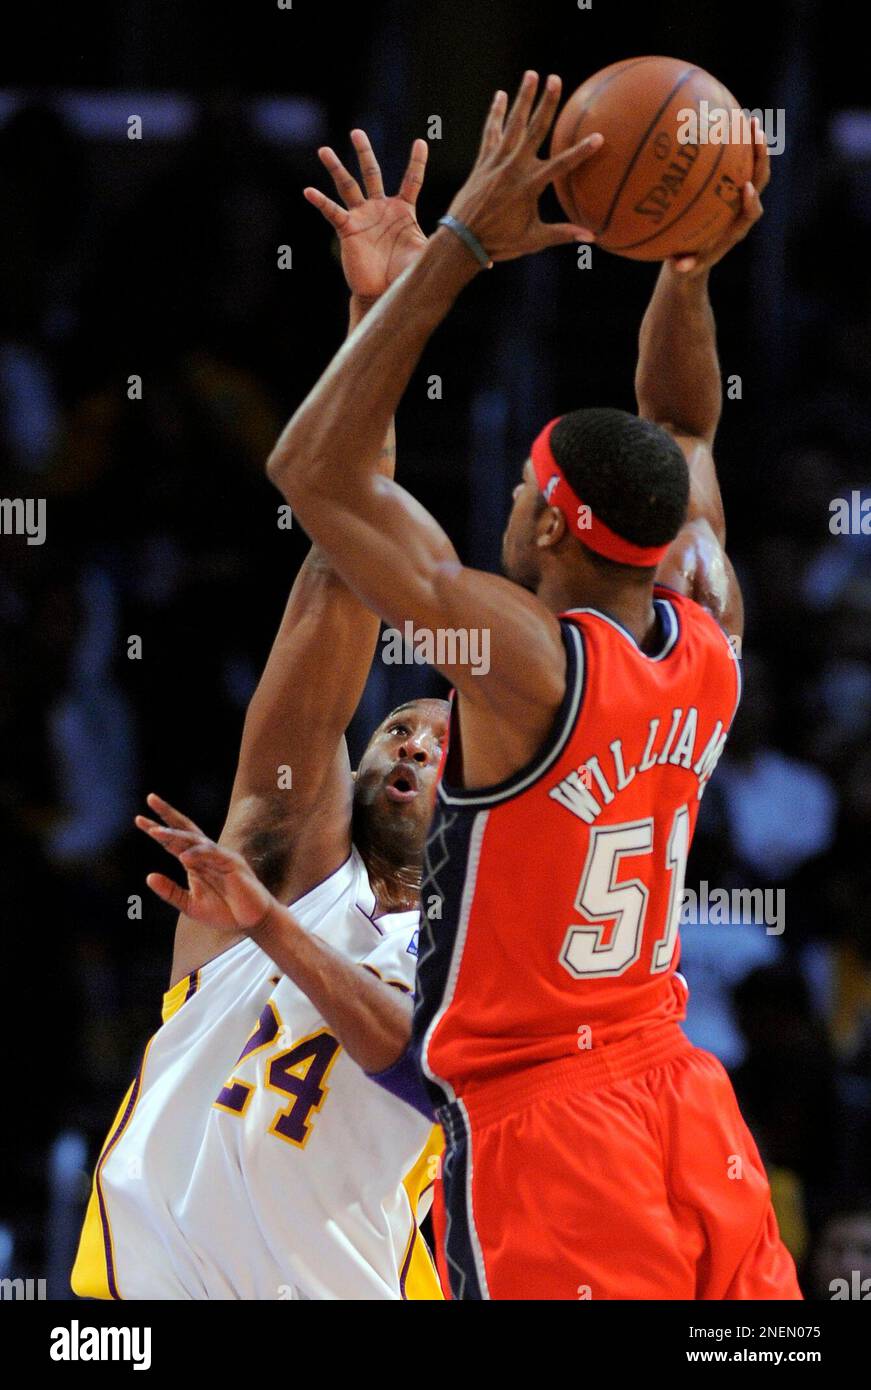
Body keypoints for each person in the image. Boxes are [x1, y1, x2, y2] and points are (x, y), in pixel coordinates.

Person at [255, 72, 801, 1299]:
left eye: (515, 488)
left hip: (552, 1131)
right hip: (680, 1090)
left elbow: (311, 472)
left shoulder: (514, 661)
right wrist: (687, 270)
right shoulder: (704, 622)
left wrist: (449, 255)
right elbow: (685, 429)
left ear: (553, 523)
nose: (501, 499)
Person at [71, 133, 449, 1301]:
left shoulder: (478, 979)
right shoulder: (272, 870)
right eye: (400, 725)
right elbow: (344, 562)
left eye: (446, 744)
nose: (413, 739)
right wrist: (381, 318)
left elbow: (425, 1060)